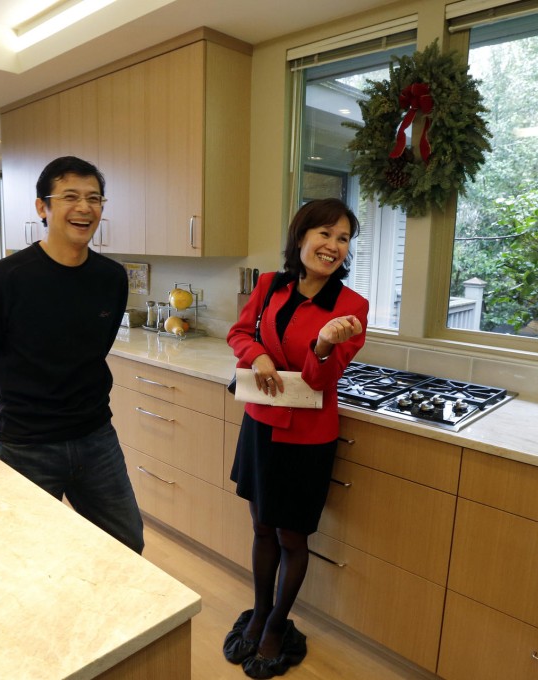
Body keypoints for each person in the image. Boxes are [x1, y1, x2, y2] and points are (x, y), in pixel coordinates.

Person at [0, 156, 144, 554]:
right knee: (27, 555)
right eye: (70, 197)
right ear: (42, 207)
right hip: (28, 443)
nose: (84, 208)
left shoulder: (111, 278)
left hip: (96, 435)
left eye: (94, 198)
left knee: (126, 545)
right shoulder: (1, 279)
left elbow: (95, 348)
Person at [223, 198, 368, 679]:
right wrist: (258, 355)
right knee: (261, 524)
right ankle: (260, 609)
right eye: (325, 233)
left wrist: (325, 343)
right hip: (261, 424)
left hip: (307, 437)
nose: (332, 245)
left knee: (291, 534)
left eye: (343, 238)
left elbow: (320, 379)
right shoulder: (270, 285)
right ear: (302, 236)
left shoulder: (351, 309)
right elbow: (239, 334)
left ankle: (276, 625)